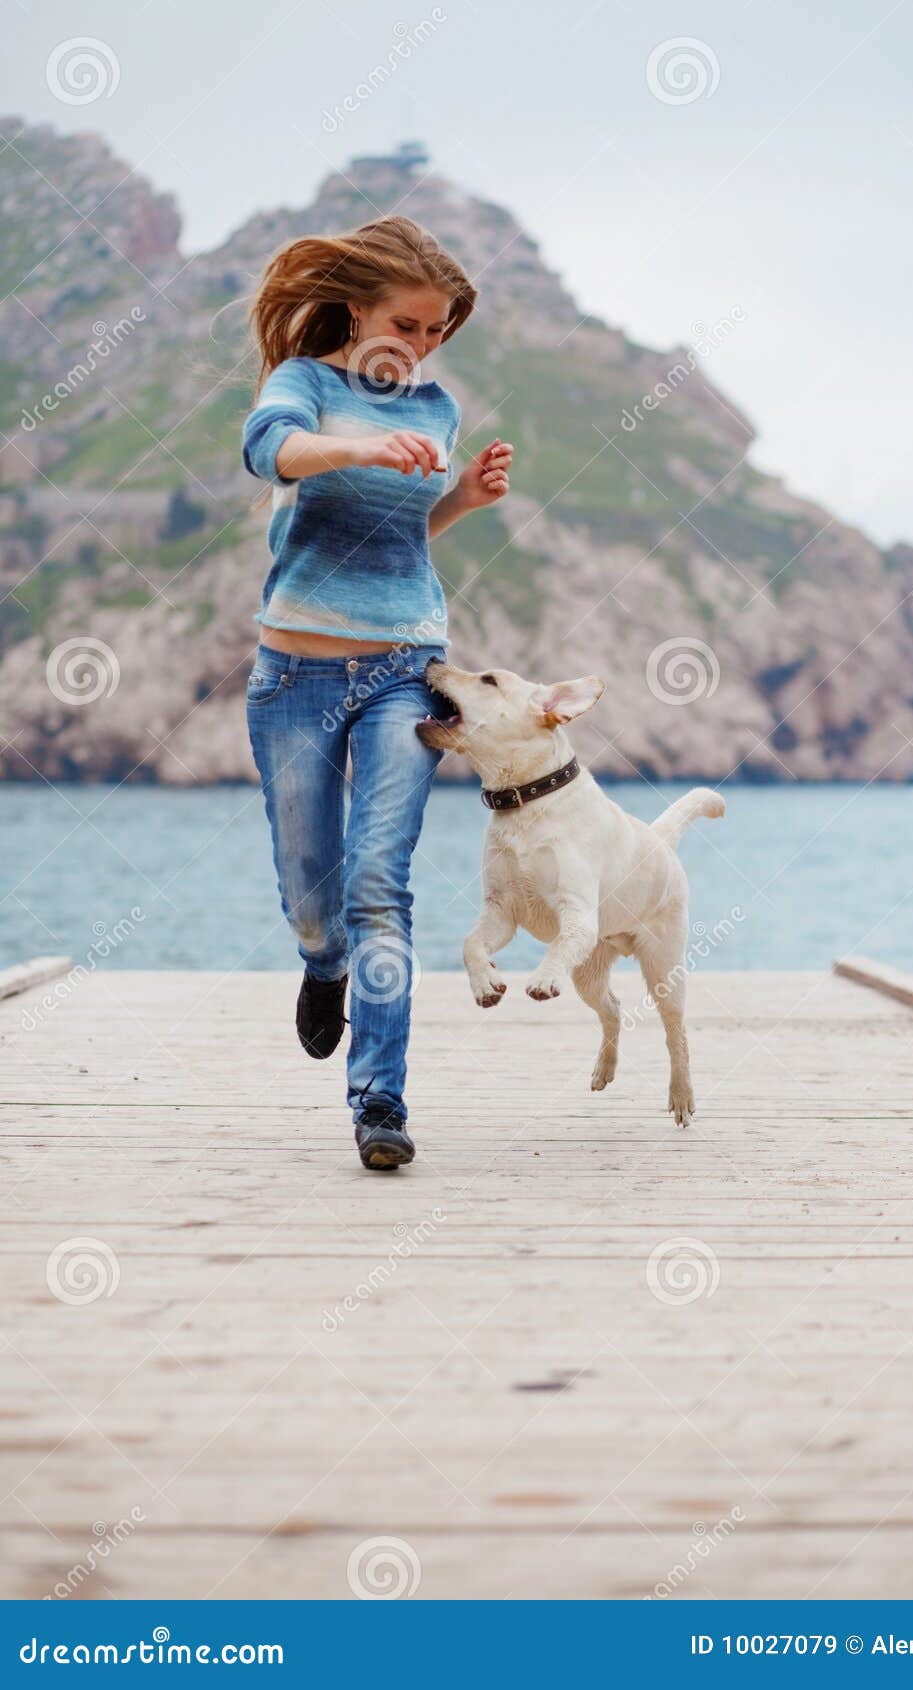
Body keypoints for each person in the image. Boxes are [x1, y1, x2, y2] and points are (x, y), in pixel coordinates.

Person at [241, 215, 513, 1170]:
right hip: (294, 677)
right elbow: (269, 452)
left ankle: (380, 1102)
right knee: (316, 904)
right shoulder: (303, 386)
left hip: (405, 669)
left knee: (378, 887)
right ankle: (322, 967)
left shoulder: (438, 406)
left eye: (439, 330)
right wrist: (357, 447)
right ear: (358, 307)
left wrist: (462, 502)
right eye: (409, 321)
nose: (423, 342)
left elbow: (400, 533)